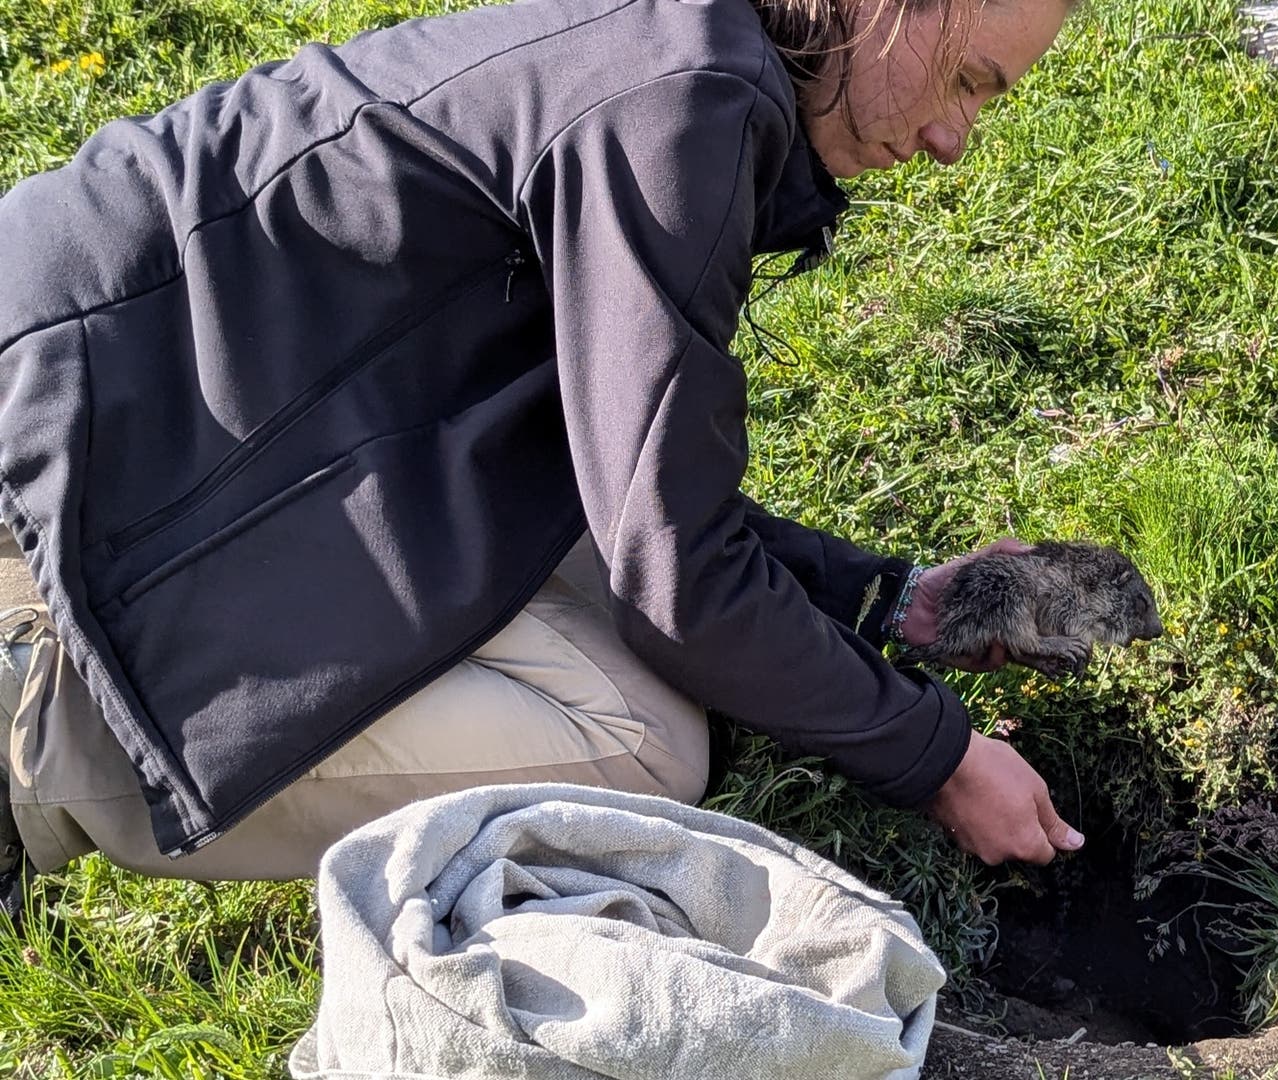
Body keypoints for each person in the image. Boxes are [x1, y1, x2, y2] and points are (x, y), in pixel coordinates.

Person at [0, 0, 1082, 903]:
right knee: (647, 742)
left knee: (603, 630)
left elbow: (619, 483)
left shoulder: (683, 48)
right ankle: (50, 732)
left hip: (174, 413)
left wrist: (880, 599)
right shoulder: (686, 104)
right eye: (970, 82)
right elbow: (677, 577)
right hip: (89, 447)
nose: (954, 138)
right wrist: (937, 759)